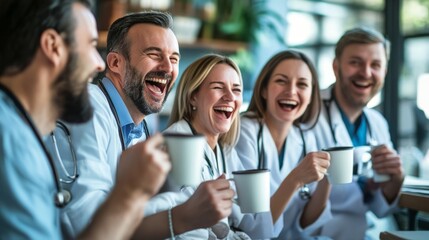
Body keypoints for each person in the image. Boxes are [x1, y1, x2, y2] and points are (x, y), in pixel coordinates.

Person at [45, 10, 236, 239]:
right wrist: (182, 211)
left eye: (174, 59)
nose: (167, 68)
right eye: (154, 54)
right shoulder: (89, 108)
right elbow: (87, 221)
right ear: (115, 62)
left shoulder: (141, 128)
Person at [0, 0, 170, 239]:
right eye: (91, 45)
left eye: (174, 59)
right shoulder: (10, 139)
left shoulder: (22, 131)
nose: (98, 63)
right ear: (52, 46)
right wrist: (131, 192)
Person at [149, 53, 282, 239]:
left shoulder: (224, 150)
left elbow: (257, 225)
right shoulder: (176, 146)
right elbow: (188, 233)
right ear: (193, 97)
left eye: (236, 90)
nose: (229, 97)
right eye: (218, 87)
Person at [312, 27, 404, 240]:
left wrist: (395, 181)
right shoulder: (308, 114)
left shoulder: (377, 123)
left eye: (376, 65)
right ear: (336, 67)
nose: (366, 73)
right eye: (355, 62)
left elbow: (381, 208)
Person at [235, 50, 332, 239]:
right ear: (263, 89)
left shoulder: (305, 138)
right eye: (281, 81)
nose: (291, 91)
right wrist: (295, 179)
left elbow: (305, 223)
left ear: (311, 95)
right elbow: (253, 229)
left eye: (302, 84)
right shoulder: (245, 131)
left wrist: (329, 178)